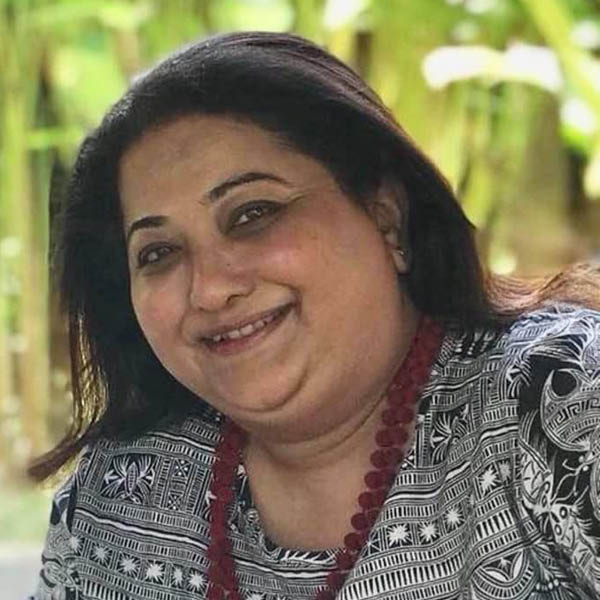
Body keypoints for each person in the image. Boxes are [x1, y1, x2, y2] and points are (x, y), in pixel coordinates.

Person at [29, 31, 600, 600]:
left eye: (253, 214)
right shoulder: (121, 495)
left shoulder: (562, 400)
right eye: (158, 253)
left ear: (385, 217)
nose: (210, 289)